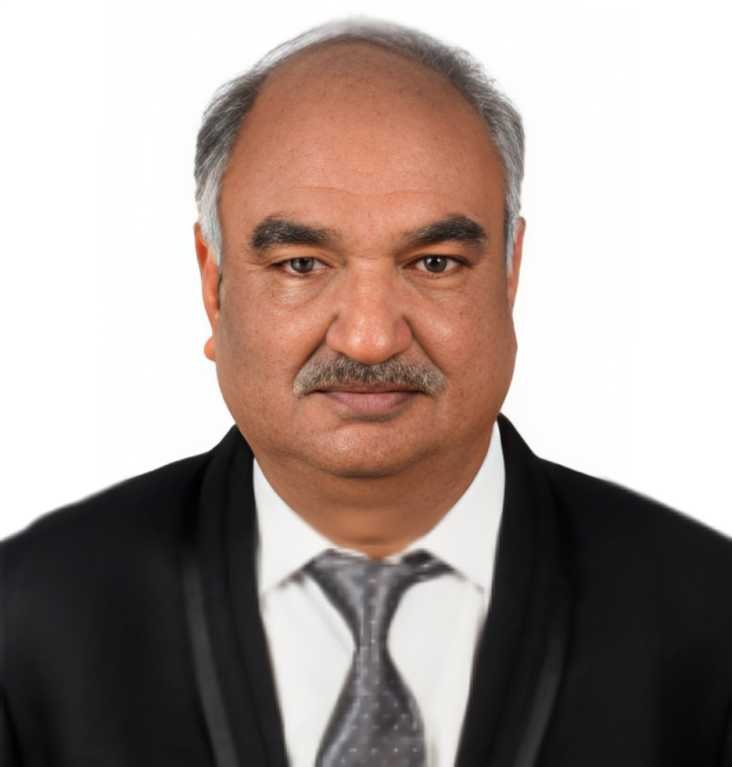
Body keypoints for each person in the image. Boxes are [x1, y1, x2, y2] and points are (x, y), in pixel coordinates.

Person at [2, 17, 731, 767]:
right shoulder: (30, 621)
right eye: (301, 264)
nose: (370, 338)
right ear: (213, 284)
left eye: (435, 263)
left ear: (510, 273)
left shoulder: (708, 618)